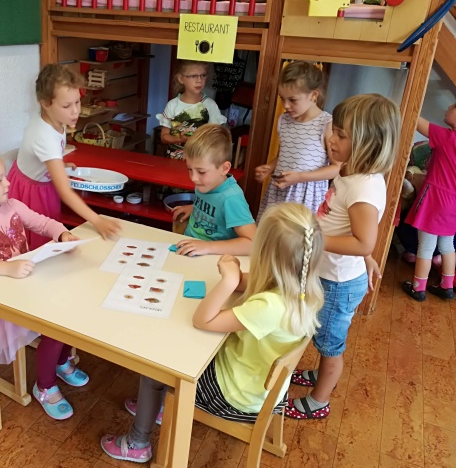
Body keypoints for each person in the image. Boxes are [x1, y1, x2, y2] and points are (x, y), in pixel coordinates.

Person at [100, 202, 325, 463]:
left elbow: (202, 320)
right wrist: (236, 276)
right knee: (178, 348)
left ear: (266, 255)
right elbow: (248, 282)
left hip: (233, 396)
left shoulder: (269, 307)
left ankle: (138, 442)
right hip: (255, 385)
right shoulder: (301, 287)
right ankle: (154, 407)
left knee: (156, 367)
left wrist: (228, 281)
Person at [0, 144, 89, 421]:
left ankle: (58, 361)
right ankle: (44, 386)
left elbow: (44, 223)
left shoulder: (11, 206)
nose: (8, 183)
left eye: (5, 176)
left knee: (70, 307)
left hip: (25, 283)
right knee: (56, 324)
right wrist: (4, 268)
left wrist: (62, 234)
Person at [286, 94, 400, 420]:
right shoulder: (350, 172)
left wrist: (314, 236)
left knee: (330, 343)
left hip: (337, 282)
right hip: (331, 272)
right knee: (318, 331)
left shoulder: (363, 189)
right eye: (333, 131)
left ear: (367, 143)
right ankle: (319, 374)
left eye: (340, 135)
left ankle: (320, 400)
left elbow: (364, 241)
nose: (330, 138)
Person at [8, 63, 120, 250]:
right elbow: (65, 192)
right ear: (45, 103)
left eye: (77, 102)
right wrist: (97, 221)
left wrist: (59, 165)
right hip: (30, 193)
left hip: (41, 184)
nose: (76, 111)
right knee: (38, 245)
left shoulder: (55, 118)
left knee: (50, 236)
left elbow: (41, 155)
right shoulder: (44, 136)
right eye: (67, 105)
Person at [255, 60, 340, 220]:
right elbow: (284, 154)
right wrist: (270, 167)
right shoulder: (284, 120)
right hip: (279, 192)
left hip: (306, 198)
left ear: (314, 95)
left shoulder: (326, 124)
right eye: (282, 98)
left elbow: (337, 168)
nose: (286, 105)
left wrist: (300, 177)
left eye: (293, 100)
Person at [170, 124, 256, 256]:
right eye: (189, 169)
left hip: (213, 257)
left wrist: (208, 247)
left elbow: (252, 244)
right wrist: (194, 208)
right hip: (190, 248)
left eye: (201, 171)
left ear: (224, 168)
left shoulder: (231, 199)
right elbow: (213, 206)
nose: (194, 178)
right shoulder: (206, 184)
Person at [401, 104, 456, 301]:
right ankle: (447, 286)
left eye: (452, 108)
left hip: (436, 199)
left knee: (425, 246)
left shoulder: (447, 137)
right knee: (447, 245)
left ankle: (418, 288)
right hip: (453, 203)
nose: (448, 108)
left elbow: (417, 121)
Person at [156, 60, 227, 159]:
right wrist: (179, 139)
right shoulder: (172, 105)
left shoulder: (210, 105)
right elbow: (164, 137)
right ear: (181, 78)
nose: (199, 80)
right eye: (193, 76)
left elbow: (216, 137)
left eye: (203, 75)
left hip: (200, 159)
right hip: (173, 159)